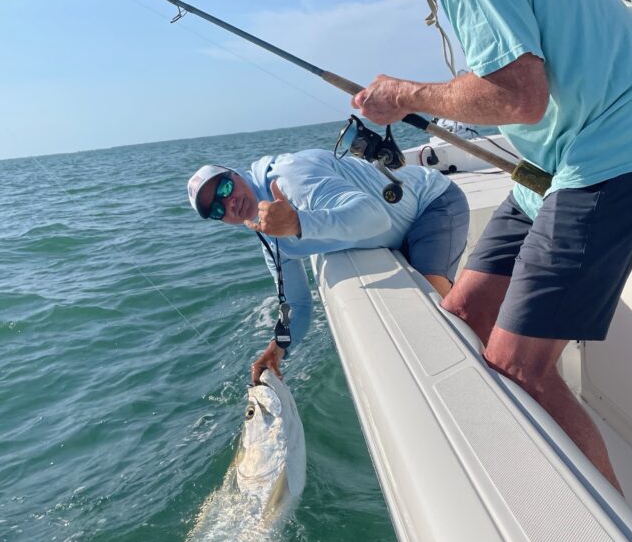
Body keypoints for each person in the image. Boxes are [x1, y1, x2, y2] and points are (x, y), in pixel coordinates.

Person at [299, 0, 632, 491]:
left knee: (514, 364)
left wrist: (406, 95)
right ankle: (554, 445)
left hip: (613, 155)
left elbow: (518, 96)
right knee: (467, 315)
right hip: (556, 161)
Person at [187, 149, 469, 383]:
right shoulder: (268, 232)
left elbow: (376, 217)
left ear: (236, 174)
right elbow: (298, 304)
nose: (229, 202)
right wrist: (277, 349)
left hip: (432, 203)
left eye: (225, 187)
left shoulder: (291, 179)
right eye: (217, 209)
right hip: (396, 233)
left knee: (432, 313)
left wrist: (298, 223)